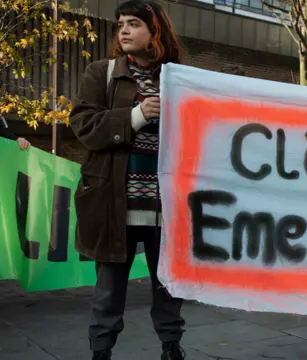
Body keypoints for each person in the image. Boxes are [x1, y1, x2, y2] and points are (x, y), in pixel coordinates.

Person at [69, 1, 186, 359]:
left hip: (165, 205)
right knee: (109, 291)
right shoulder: (100, 73)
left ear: (156, 31)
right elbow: (83, 126)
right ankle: (100, 352)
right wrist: (136, 115)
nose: (123, 30)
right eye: (120, 24)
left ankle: (171, 348)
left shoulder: (179, 79)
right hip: (113, 203)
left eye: (134, 23)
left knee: (169, 286)